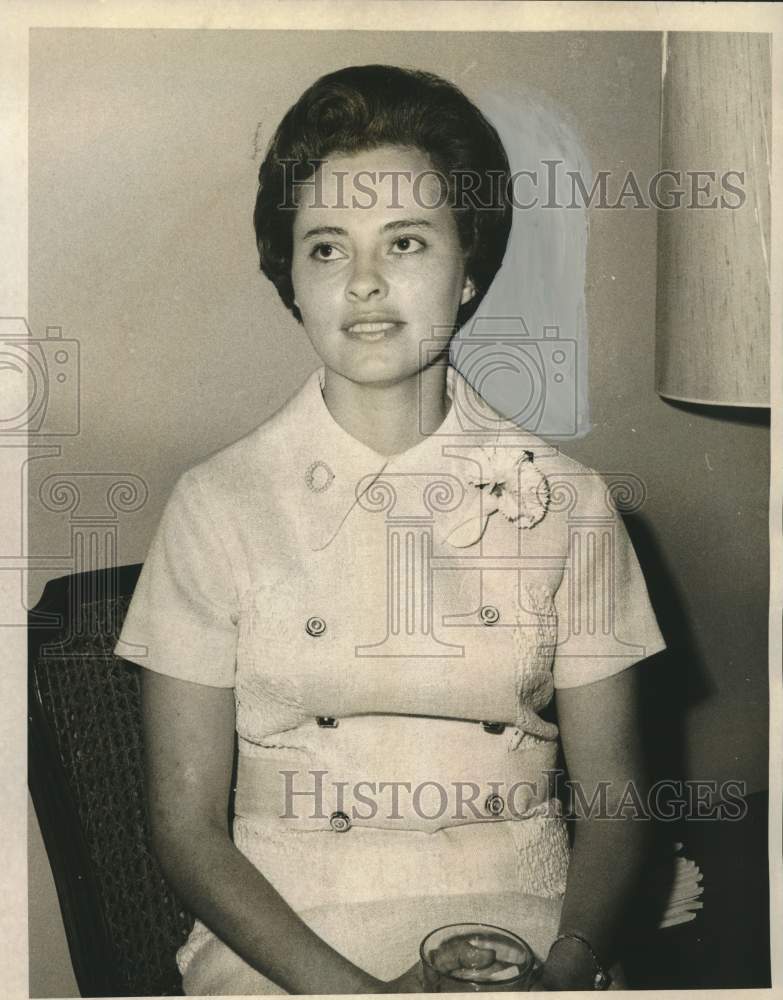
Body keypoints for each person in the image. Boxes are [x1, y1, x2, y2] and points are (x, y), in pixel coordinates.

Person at [116, 64, 668, 993]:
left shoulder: (567, 503)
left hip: (524, 936)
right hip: (286, 947)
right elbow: (184, 829)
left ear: (467, 273)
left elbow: (614, 804)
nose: (364, 283)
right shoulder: (214, 506)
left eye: (404, 242)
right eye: (327, 248)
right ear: (291, 279)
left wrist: (567, 970)